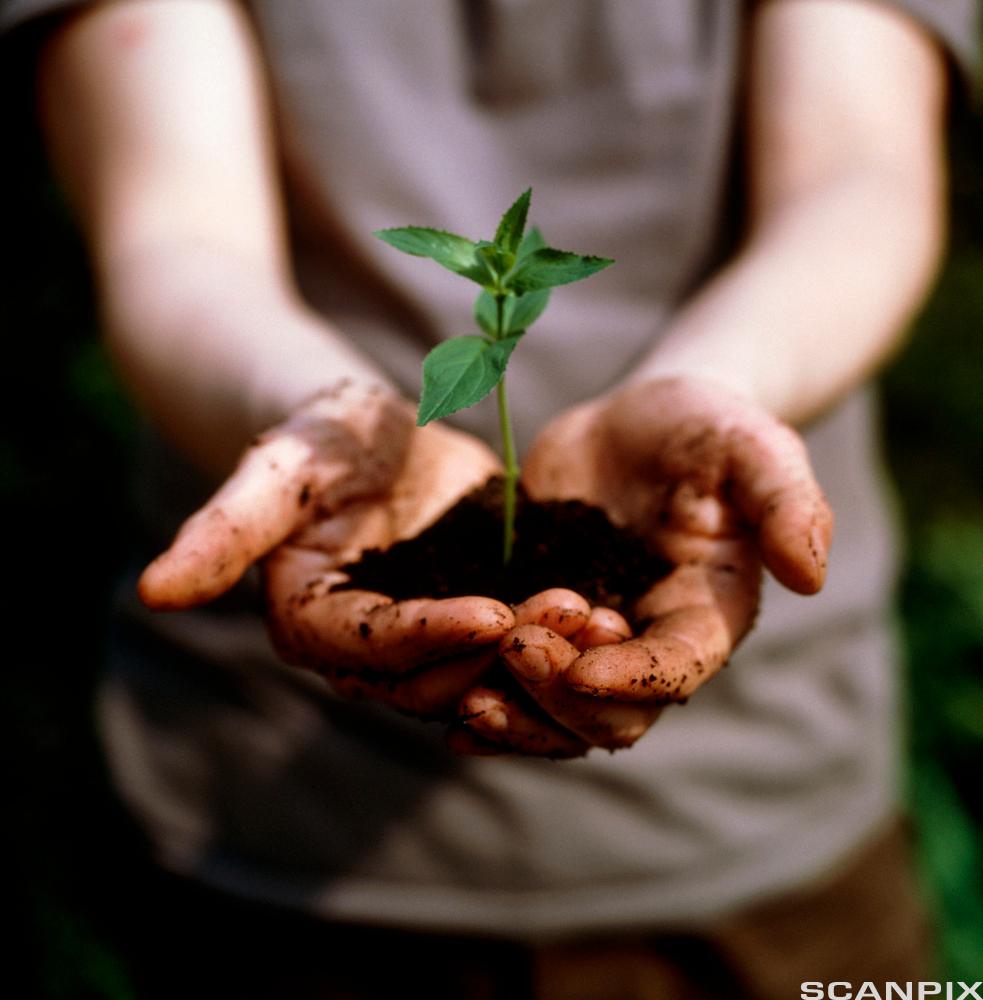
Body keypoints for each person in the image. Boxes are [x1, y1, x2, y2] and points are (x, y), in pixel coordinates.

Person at [6, 0, 979, 995]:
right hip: (282, 814)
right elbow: (173, 233)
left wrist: (722, 384)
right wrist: (324, 417)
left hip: (764, 798)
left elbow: (857, 183)